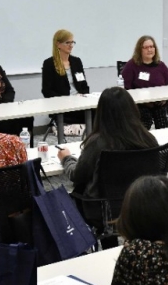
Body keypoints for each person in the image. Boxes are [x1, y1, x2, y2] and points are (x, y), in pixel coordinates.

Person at [58, 86, 158, 225]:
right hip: (141, 204)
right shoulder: (148, 139)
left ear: (101, 113)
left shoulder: (98, 143)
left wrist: (66, 158)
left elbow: (77, 175)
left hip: (102, 209)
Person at [120, 35, 168, 130]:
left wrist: (165, 98)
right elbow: (126, 89)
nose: (149, 50)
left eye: (151, 47)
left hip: (159, 104)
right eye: (146, 47)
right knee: (145, 122)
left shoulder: (161, 65)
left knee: (162, 124)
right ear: (139, 50)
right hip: (140, 105)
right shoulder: (131, 65)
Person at [41, 29, 90, 127]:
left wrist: (83, 96)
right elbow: (47, 91)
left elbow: (84, 86)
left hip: (80, 103)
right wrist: (67, 99)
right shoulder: (49, 64)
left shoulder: (76, 61)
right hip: (63, 106)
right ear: (58, 44)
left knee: (100, 111)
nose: (71, 45)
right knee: (93, 115)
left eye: (72, 42)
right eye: (67, 43)